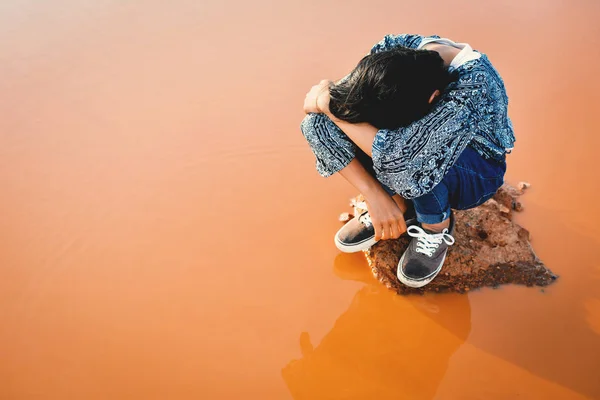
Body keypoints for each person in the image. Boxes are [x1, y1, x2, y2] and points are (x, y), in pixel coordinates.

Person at [301, 34, 514, 288]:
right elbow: (318, 114)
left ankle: (436, 227)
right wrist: (375, 195)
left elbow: (403, 156)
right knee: (322, 122)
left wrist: (328, 101)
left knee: (410, 157)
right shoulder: (393, 52)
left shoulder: (473, 88)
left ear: (433, 98)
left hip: (475, 169)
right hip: (410, 148)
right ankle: (399, 203)